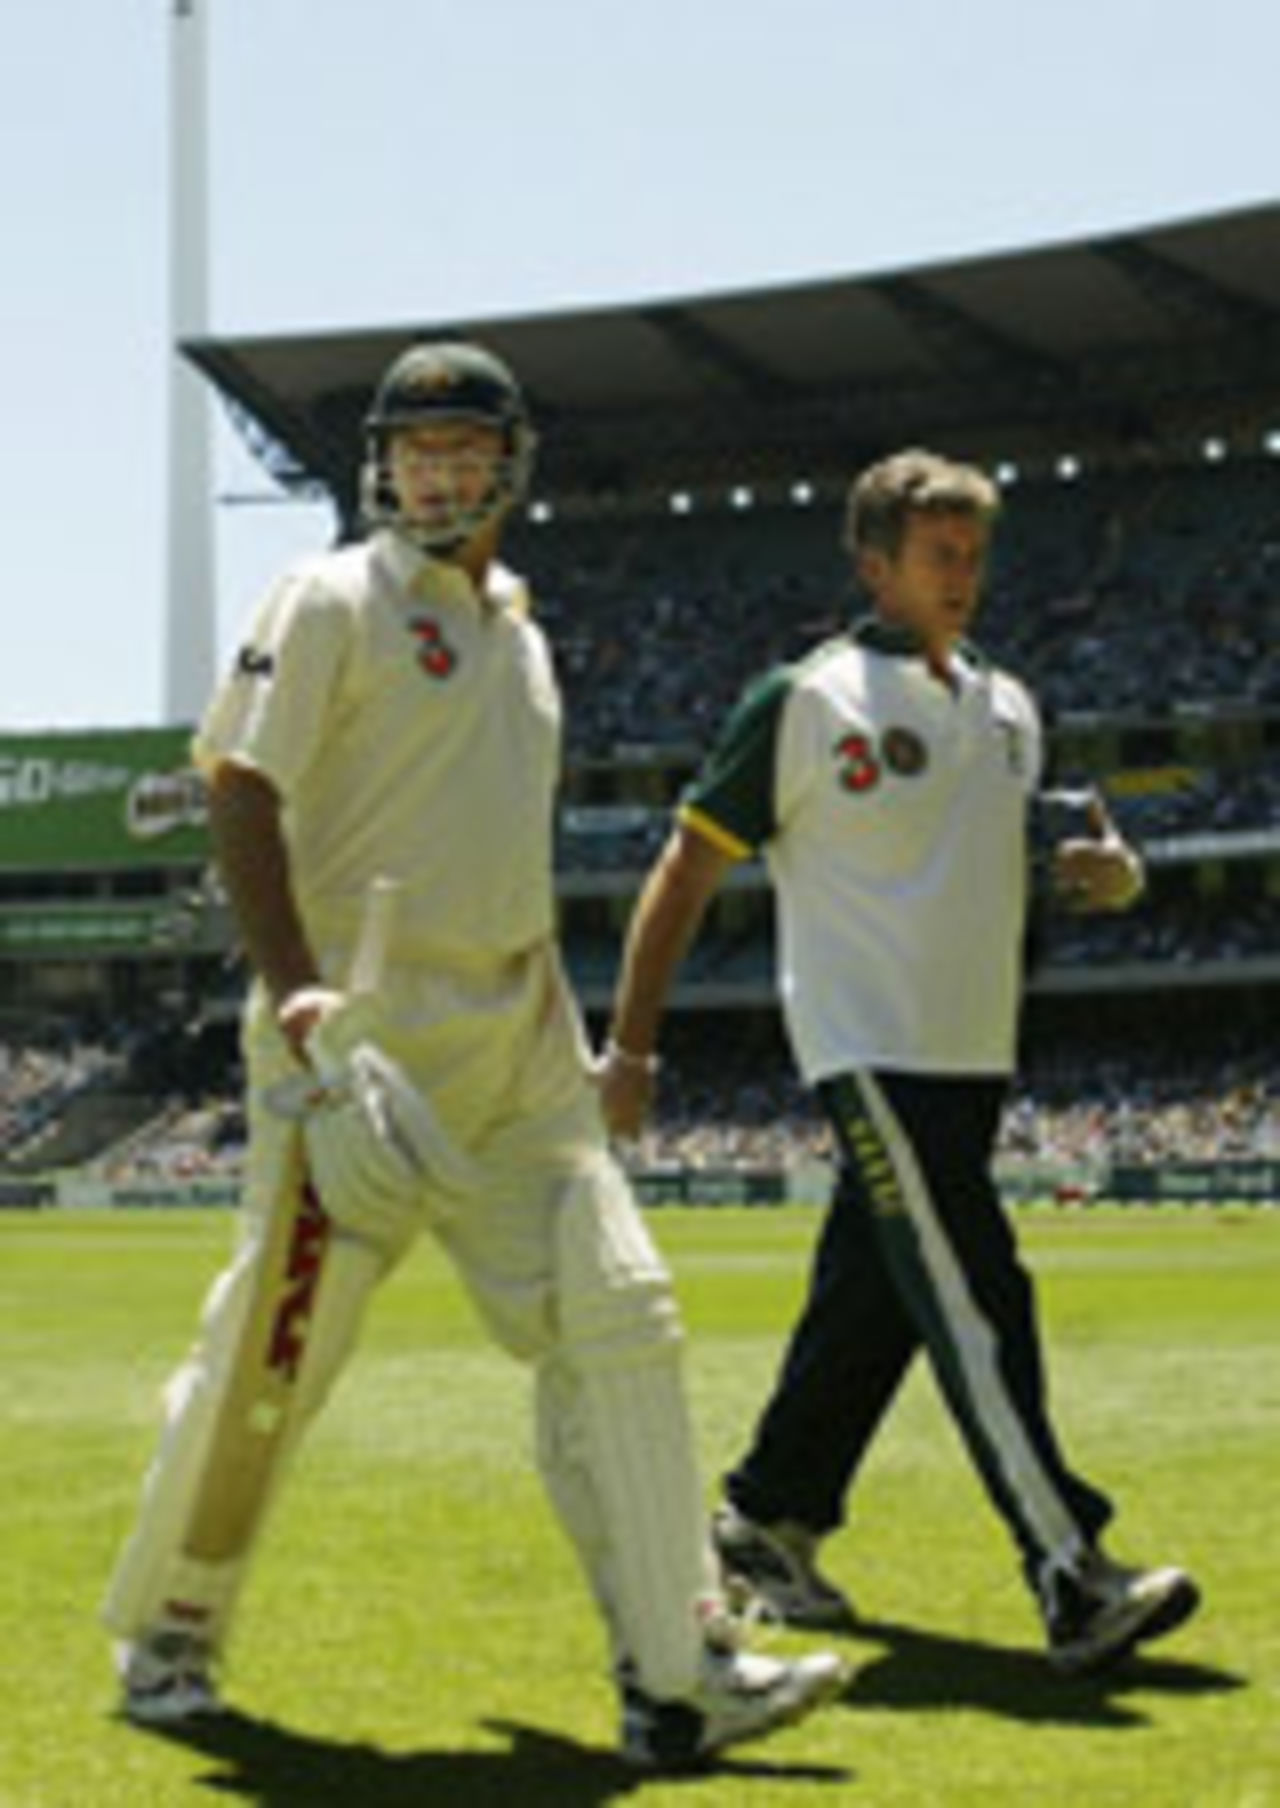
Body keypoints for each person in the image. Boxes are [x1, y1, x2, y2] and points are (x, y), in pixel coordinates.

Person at [102, 340, 844, 1769]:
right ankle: (172, 1631)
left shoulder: (521, 630)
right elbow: (240, 791)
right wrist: (303, 1000)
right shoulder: (326, 599)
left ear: (511, 464)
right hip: (357, 1039)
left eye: (463, 447)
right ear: (383, 463)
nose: (436, 471)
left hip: (514, 1046)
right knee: (278, 1351)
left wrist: (584, 1049)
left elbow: (500, 859)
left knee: (619, 1315)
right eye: (414, 447)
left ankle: (678, 1666)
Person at [599, 447, 1200, 1676]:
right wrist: (631, 1045)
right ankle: (1068, 1571)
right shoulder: (802, 700)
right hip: (866, 1047)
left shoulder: (1012, 705)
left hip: (974, 1055)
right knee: (981, 1300)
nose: (962, 575)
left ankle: (766, 1520)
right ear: (873, 563)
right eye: (938, 554)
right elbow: (684, 871)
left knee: (870, 1309)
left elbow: (1043, 853)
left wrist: (1114, 875)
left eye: (974, 553)